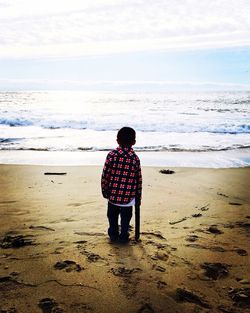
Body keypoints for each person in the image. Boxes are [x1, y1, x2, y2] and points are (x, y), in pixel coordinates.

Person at [101, 127, 142, 243]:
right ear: (134, 142)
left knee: (112, 216)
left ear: (117, 140)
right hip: (128, 197)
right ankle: (124, 235)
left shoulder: (111, 155)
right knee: (126, 218)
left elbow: (105, 175)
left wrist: (105, 190)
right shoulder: (135, 159)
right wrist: (138, 197)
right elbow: (138, 180)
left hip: (113, 195)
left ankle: (113, 234)